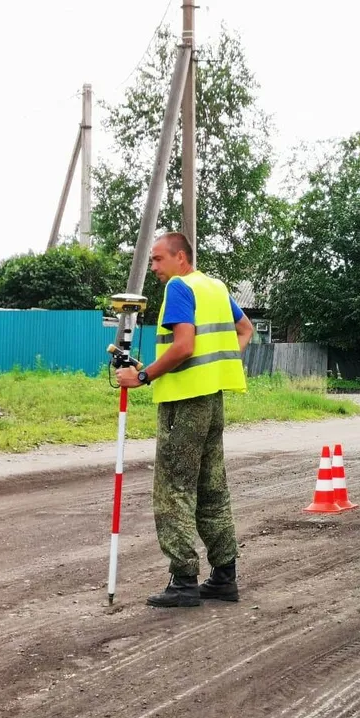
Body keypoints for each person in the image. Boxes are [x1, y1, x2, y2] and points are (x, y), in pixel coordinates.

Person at [116, 232, 254, 608]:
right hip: (212, 400)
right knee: (212, 487)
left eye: (159, 259)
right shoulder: (215, 287)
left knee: (174, 489)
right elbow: (246, 331)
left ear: (181, 258)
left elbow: (184, 346)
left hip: (183, 404)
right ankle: (224, 576)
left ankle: (183, 580)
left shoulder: (179, 287)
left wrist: (143, 377)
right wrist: (215, 365)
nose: (155, 268)